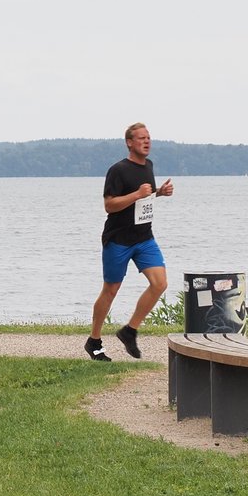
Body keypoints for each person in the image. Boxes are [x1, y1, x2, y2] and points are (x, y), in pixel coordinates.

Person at [86, 123, 174, 361]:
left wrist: (159, 192)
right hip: (119, 239)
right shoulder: (118, 170)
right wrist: (137, 194)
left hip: (144, 238)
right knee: (111, 290)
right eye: (141, 138)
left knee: (160, 283)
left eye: (149, 137)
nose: (147, 141)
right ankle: (94, 340)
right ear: (129, 142)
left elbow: (144, 197)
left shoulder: (149, 166)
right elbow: (109, 205)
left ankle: (129, 331)